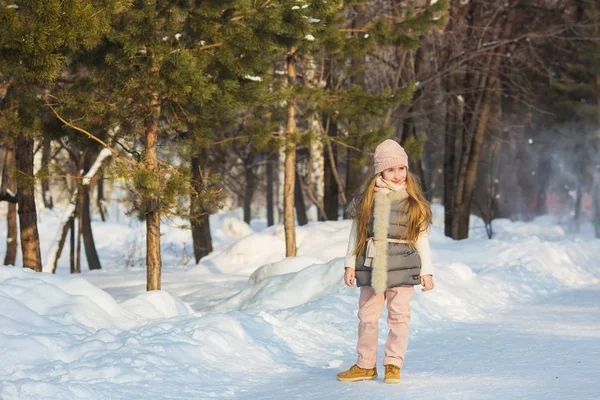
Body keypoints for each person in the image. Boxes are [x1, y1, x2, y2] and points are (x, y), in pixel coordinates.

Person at [337, 138, 435, 384]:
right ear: (380, 171)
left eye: (401, 168)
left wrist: (427, 271)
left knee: (399, 317)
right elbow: (356, 235)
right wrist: (350, 264)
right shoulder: (366, 201)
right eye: (391, 169)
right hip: (372, 265)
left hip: (404, 266)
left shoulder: (414, 203)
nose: (397, 174)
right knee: (367, 316)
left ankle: (393, 364)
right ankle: (365, 365)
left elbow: (421, 239)